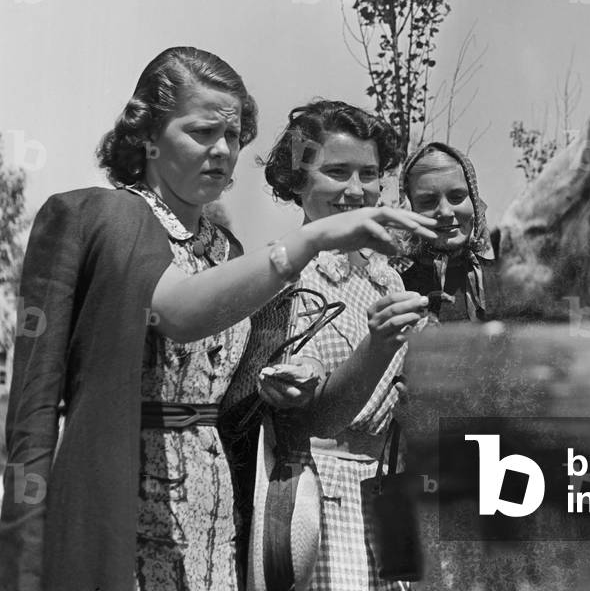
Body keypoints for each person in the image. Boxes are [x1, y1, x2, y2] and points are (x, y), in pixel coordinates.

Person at [0, 48, 435, 591]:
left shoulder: (224, 250)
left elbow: (244, 405)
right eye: (203, 132)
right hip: (123, 500)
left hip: (217, 509)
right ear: (148, 134)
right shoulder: (103, 217)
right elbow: (175, 312)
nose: (222, 151)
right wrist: (314, 237)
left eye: (233, 137)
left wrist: (283, 393)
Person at [255, 99, 430, 591]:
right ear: (297, 180)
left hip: (387, 498)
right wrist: (376, 346)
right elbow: (309, 416)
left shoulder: (388, 277)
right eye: (336, 172)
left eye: (369, 173)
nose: (355, 190)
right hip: (316, 498)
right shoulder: (284, 274)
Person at [397, 141, 497, 323]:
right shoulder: (397, 290)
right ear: (410, 210)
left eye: (457, 197)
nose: (445, 211)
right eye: (428, 201)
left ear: (475, 202)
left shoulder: (508, 283)